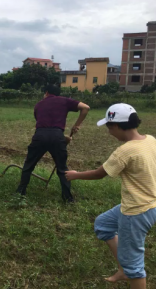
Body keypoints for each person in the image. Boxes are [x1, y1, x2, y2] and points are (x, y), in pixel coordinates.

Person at [66, 104, 156, 289]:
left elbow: (100, 173)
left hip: (136, 211)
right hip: (150, 204)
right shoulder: (150, 140)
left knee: (135, 266)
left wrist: (75, 175)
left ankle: (129, 269)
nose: (109, 132)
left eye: (109, 127)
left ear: (117, 125)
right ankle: (124, 269)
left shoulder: (125, 151)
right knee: (103, 224)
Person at [16, 84, 90, 202]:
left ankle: (20, 193)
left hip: (39, 136)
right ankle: (68, 199)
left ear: (46, 93)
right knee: (62, 169)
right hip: (57, 136)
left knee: (28, 166)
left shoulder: (38, 105)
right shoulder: (64, 101)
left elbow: (43, 125)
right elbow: (85, 107)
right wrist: (76, 125)